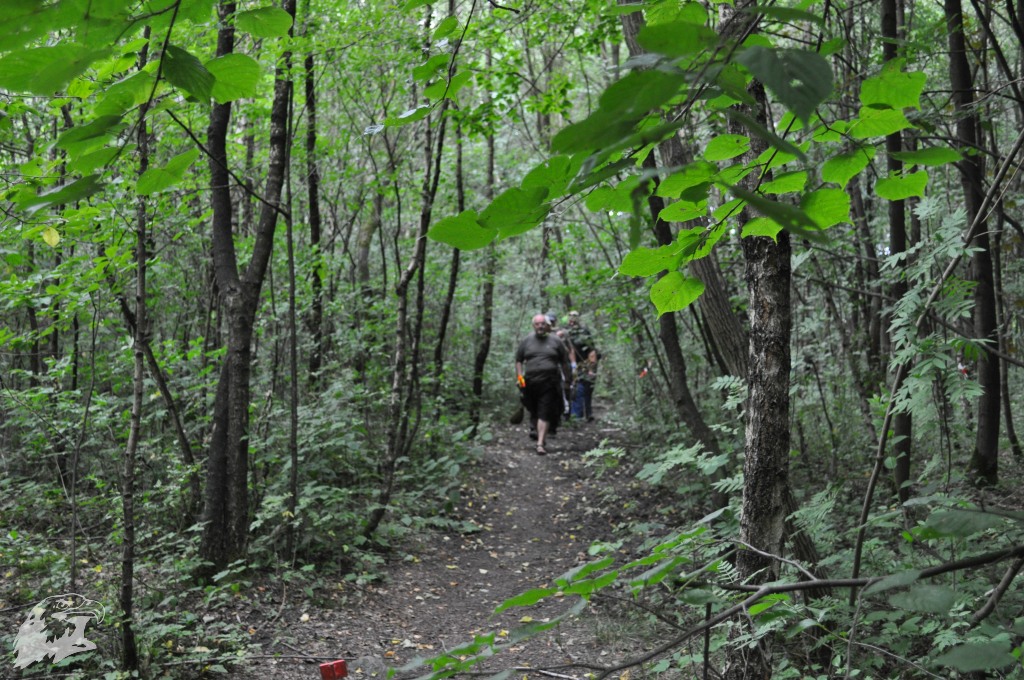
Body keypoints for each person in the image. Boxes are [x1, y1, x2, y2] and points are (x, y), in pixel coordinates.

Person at [515, 314, 570, 455]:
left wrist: (568, 380)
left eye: (542, 324)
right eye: (537, 324)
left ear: (547, 325)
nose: (540, 326)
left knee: (544, 411)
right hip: (530, 383)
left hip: (550, 382)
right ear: (533, 326)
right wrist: (520, 379)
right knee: (534, 409)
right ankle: (535, 429)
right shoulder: (527, 341)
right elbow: (519, 361)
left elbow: (564, 361)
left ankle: (540, 443)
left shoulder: (556, 341)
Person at [571, 347, 599, 421]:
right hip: (580, 373)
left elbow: (594, 356)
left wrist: (591, 370)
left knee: (585, 393)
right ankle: (579, 415)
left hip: (586, 375)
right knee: (579, 393)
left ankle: (584, 414)